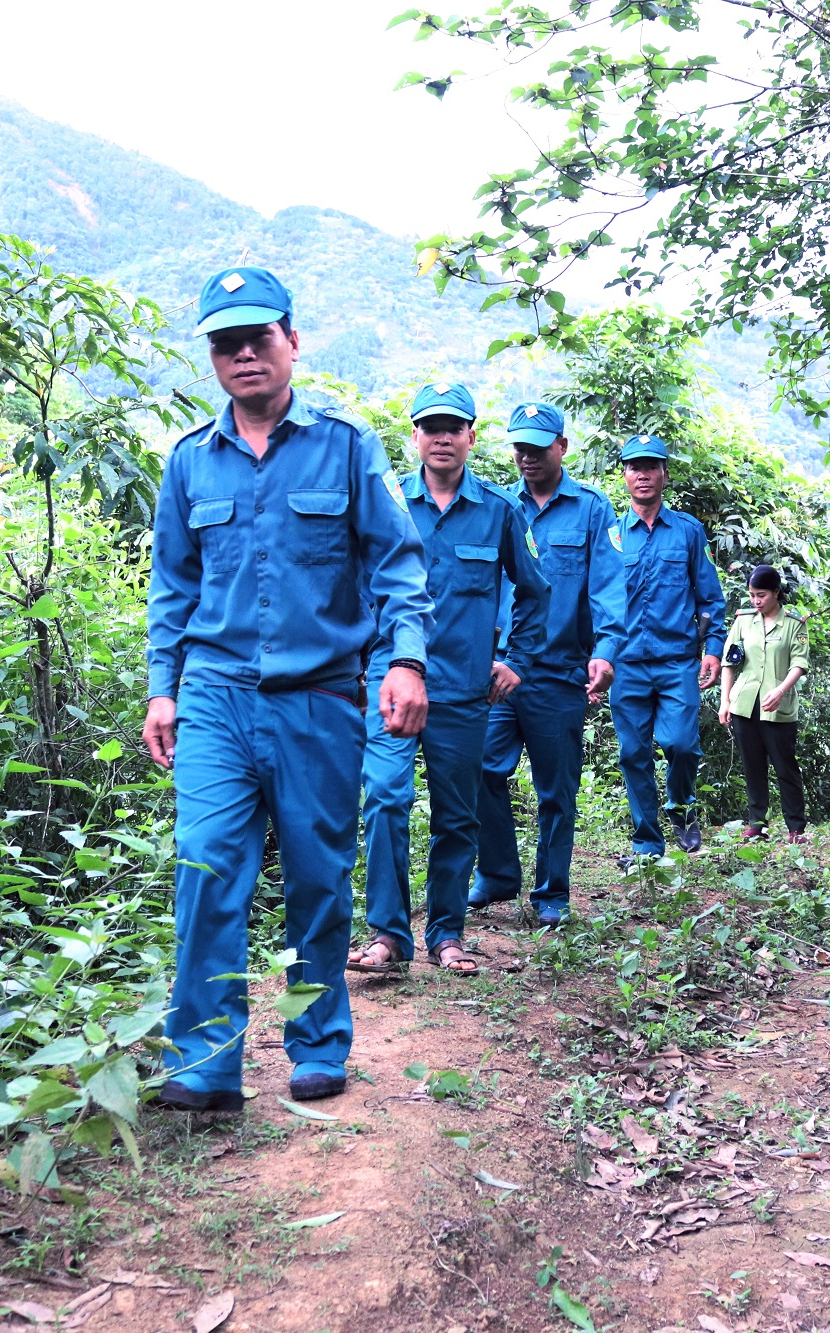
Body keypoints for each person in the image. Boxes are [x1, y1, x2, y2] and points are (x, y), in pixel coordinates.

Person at [143, 266, 433, 1107]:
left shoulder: (347, 447)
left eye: (258, 338)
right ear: (212, 358)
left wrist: (406, 660)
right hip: (215, 700)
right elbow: (172, 586)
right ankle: (204, 1060)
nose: (243, 355)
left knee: (315, 876)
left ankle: (314, 1039)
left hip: (318, 699)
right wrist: (163, 688)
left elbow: (398, 564)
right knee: (205, 868)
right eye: (225, 344)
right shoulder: (190, 462)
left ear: (292, 341)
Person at [349, 384, 549, 974]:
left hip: (463, 692)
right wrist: (356, 665)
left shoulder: (499, 512)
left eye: (452, 427)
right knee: (385, 799)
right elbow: (355, 590)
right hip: (388, 683)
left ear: (469, 436)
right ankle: (388, 937)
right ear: (414, 436)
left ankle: (446, 934)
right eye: (430, 426)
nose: (441, 437)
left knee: (456, 815)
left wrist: (517, 659)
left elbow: (536, 592)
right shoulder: (385, 505)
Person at [471, 402, 627, 928]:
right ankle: (497, 874)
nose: (527, 456)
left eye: (538, 446)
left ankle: (551, 894)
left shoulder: (591, 509)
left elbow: (607, 586)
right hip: (497, 671)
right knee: (482, 771)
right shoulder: (493, 505)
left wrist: (605, 650)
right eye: (519, 446)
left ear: (562, 446)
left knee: (556, 789)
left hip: (559, 672)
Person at [612, 434, 727, 863]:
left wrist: (712, 648)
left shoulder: (688, 532)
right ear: (624, 475)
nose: (642, 475)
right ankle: (647, 843)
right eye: (633, 467)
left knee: (680, 744)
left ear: (664, 473)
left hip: (677, 661)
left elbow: (711, 599)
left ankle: (682, 809)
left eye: (651, 466)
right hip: (625, 664)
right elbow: (597, 599)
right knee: (633, 753)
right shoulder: (610, 534)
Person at [717, 565, 811, 843]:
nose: (756, 601)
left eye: (761, 595)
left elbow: (800, 663)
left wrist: (781, 690)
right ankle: (757, 824)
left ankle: (796, 828)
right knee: (752, 766)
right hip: (745, 704)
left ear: (776, 593)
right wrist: (725, 702)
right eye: (752, 595)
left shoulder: (795, 623)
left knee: (785, 767)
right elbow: (728, 663)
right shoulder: (744, 621)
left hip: (778, 707)